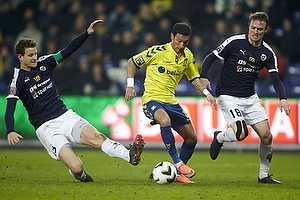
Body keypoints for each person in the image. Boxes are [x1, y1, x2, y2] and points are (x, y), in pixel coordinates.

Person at [4, 20, 145, 182]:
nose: (35, 57)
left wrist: (87, 33)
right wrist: (10, 130)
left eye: (35, 53)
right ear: (20, 57)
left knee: (98, 137)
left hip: (65, 117)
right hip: (47, 128)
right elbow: (10, 108)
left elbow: (68, 50)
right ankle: (81, 176)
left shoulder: (45, 63)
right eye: (30, 55)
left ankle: (129, 155)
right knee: (77, 168)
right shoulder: (17, 80)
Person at [200, 12, 290, 184]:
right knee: (241, 134)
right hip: (227, 95)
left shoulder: (267, 53)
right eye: (253, 28)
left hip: (250, 97)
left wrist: (283, 98)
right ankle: (219, 137)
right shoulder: (234, 42)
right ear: (249, 26)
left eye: (260, 29)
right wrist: (203, 76)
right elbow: (210, 58)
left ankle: (263, 175)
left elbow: (276, 78)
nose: (255, 32)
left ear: (266, 30)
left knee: (267, 137)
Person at [125, 22, 217, 183]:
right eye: (179, 41)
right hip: (152, 100)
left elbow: (194, 77)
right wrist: (130, 86)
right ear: (172, 37)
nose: (181, 45)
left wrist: (206, 93)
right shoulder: (156, 51)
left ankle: (178, 174)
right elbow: (132, 62)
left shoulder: (188, 56)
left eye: (185, 42)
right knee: (165, 120)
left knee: (191, 138)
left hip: (171, 102)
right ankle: (177, 162)